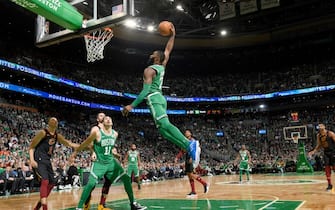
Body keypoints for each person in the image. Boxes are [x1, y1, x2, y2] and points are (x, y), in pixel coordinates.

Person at [122, 22, 200, 168]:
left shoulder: (149, 70)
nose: (151, 53)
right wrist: (173, 35)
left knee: (164, 125)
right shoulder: (162, 66)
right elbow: (168, 50)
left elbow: (145, 91)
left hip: (153, 98)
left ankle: (189, 143)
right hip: (161, 99)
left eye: (153, 53)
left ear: (156, 58)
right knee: (163, 131)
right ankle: (187, 147)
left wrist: (131, 105)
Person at [73, 115, 146, 210]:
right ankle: (79, 207)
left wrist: (115, 154)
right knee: (91, 184)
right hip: (100, 163)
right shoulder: (97, 132)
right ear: (102, 122)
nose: (108, 119)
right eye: (106, 119)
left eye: (110, 118)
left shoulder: (115, 134)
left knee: (126, 179)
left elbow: (109, 148)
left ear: (112, 123)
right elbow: (87, 143)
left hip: (111, 162)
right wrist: (78, 150)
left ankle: (133, 203)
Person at [29, 117, 79, 210]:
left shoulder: (57, 135)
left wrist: (82, 146)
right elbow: (31, 147)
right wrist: (32, 160)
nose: (54, 120)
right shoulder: (43, 133)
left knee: (52, 183)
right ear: (48, 122)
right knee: (45, 181)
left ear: (57, 124)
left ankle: (37, 207)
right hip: (39, 159)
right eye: (52, 119)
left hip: (47, 160)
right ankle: (45, 207)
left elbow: (69, 143)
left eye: (56, 120)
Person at [175, 129, 209, 198]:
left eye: (187, 132)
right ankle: (193, 191)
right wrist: (177, 157)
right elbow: (183, 151)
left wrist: (191, 158)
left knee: (191, 174)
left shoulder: (193, 141)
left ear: (190, 133)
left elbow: (194, 151)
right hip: (187, 158)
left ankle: (204, 184)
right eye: (185, 132)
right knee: (189, 175)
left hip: (191, 158)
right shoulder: (185, 141)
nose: (186, 133)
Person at [308, 123, 335, 191]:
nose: (320, 127)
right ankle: (329, 185)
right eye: (319, 127)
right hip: (326, 152)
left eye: (321, 126)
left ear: (324, 127)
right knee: (327, 169)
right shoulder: (318, 136)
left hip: (333, 152)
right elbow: (319, 145)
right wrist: (313, 151)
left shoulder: (330, 134)